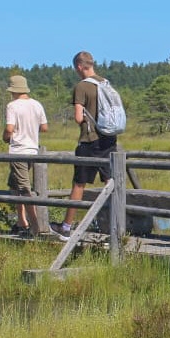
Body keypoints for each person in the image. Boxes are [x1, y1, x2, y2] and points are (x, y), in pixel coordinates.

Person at [51, 51, 117, 240]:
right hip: (110, 139)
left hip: (90, 140)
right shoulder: (106, 83)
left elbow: (79, 117)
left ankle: (66, 227)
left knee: (79, 184)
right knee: (110, 182)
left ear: (79, 66)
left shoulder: (82, 86)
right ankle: (116, 225)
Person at [3, 74, 48, 237]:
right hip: (32, 150)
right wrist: (30, 128)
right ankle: (22, 221)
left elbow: (9, 128)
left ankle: (35, 227)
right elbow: (44, 127)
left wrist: (7, 136)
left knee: (24, 188)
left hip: (18, 151)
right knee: (14, 185)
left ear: (13, 90)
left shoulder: (12, 106)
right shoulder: (37, 105)